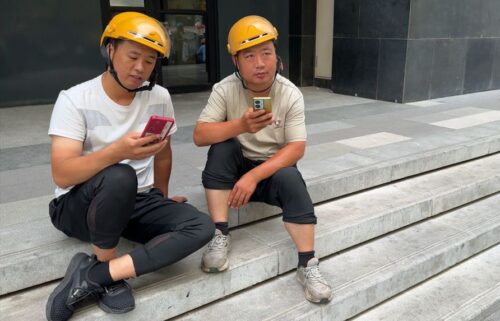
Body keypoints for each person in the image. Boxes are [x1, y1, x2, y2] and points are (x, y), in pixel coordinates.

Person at [45, 12, 214, 321]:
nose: (140, 69)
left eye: (149, 61)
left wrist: (160, 197)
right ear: (110, 50)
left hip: (135, 200)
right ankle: (108, 266)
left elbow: (162, 153)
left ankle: (98, 275)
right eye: (133, 56)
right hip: (77, 206)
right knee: (120, 175)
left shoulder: (159, 96)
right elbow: (63, 173)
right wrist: (117, 152)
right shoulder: (74, 99)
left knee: (201, 227)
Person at [193, 15, 332, 303]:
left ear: (276, 57)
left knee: (291, 175)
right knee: (222, 147)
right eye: (250, 56)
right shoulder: (224, 89)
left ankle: (307, 263)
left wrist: (254, 176)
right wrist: (240, 126)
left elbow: (296, 148)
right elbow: (200, 135)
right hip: (234, 169)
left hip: (269, 172)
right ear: (236, 61)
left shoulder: (290, 93)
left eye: (266, 53)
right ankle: (220, 233)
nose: (260, 63)